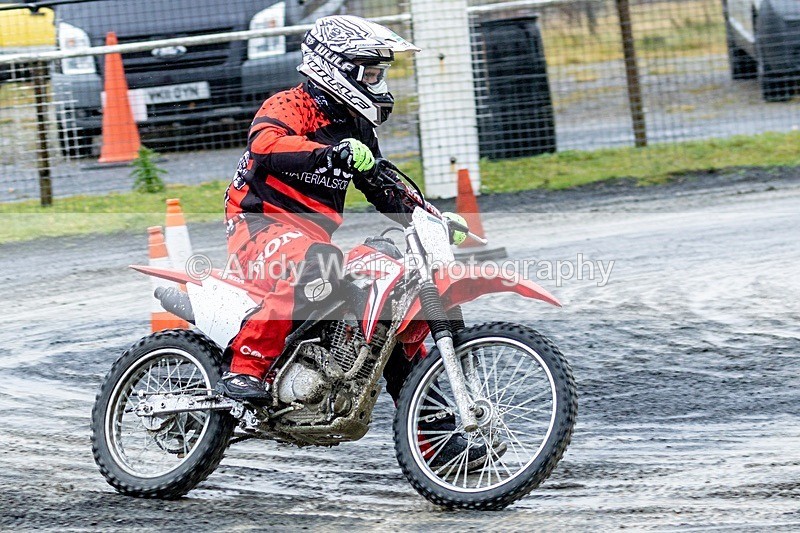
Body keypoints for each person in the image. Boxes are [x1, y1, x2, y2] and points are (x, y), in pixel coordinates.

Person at [217, 15, 499, 468]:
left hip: (307, 235)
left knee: (387, 320)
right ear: (335, 67)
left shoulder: (357, 129)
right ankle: (244, 369)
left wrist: (431, 217)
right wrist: (331, 153)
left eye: (379, 73)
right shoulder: (291, 105)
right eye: (368, 72)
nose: (376, 81)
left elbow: (384, 188)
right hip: (259, 225)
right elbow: (265, 145)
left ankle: (441, 446)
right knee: (321, 263)